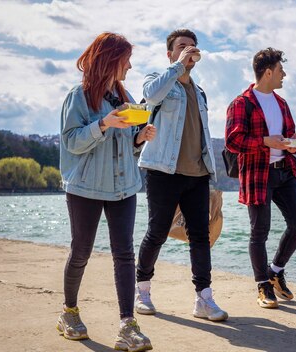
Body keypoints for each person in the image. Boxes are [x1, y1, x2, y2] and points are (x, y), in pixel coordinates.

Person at [58, 32, 155, 351]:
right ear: (111, 60)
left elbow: (123, 146)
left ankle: (127, 325)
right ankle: (69, 313)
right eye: (126, 59)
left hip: (124, 187)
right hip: (85, 188)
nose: (130, 65)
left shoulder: (123, 98)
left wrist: (139, 139)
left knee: (124, 253)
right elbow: (72, 141)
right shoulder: (78, 96)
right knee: (81, 250)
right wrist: (102, 124)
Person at [135, 28, 228, 321]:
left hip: (197, 173)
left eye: (193, 46)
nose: (189, 50)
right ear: (170, 53)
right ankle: (142, 290)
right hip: (163, 170)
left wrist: (211, 171)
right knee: (157, 231)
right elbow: (150, 97)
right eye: (182, 46)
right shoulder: (157, 79)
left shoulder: (199, 91)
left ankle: (204, 299)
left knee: (200, 236)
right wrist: (177, 68)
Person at [225, 48, 296, 309]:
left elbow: (290, 132)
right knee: (259, 232)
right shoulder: (242, 103)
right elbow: (233, 140)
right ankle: (262, 286)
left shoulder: (282, 103)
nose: (284, 75)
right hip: (257, 174)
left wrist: (292, 145)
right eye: (281, 70)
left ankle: (275, 271)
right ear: (268, 72)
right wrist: (264, 141)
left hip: (284, 171)